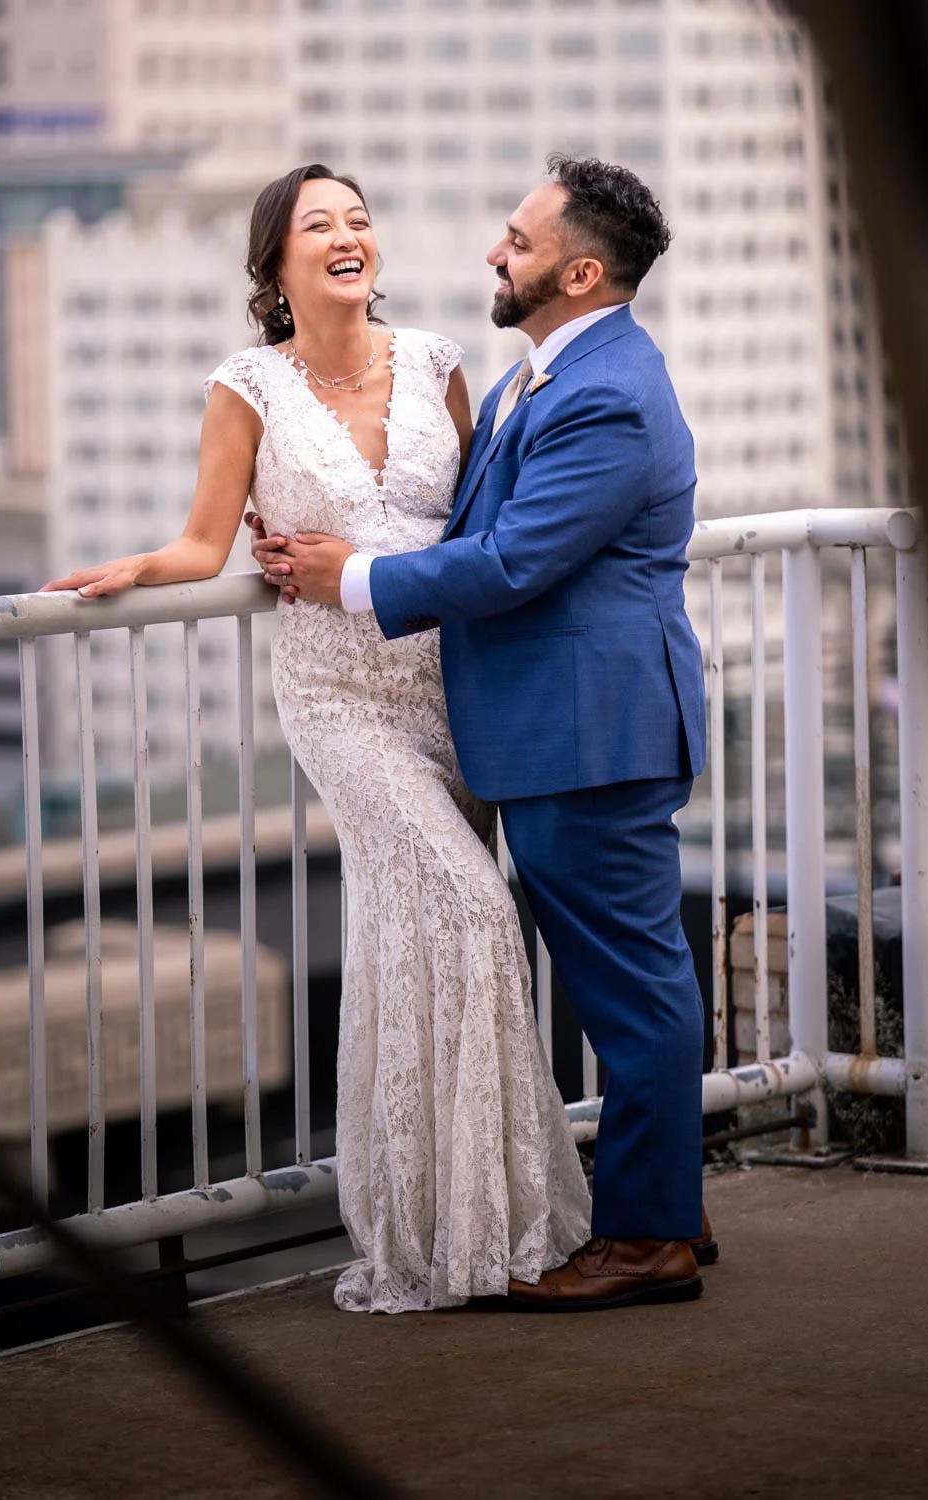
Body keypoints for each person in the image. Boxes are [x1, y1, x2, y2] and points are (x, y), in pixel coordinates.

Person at [41, 163, 592, 1314]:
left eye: (358, 220)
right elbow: (205, 545)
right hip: (338, 697)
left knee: (413, 940)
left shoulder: (438, 363)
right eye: (319, 225)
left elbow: (481, 528)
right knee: (472, 908)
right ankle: (448, 1232)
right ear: (277, 262)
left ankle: (476, 1224)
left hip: (454, 687)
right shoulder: (246, 385)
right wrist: (134, 569)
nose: (348, 236)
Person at [251, 154, 711, 1312]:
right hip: (550, 727)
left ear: (580, 272)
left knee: (633, 992)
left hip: (591, 731)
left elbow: (511, 561)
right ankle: (669, 1208)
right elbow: (464, 521)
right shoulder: (542, 375)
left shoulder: (605, 393)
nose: (494, 254)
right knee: (623, 982)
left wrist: (350, 576)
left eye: (518, 240)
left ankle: (649, 1238)